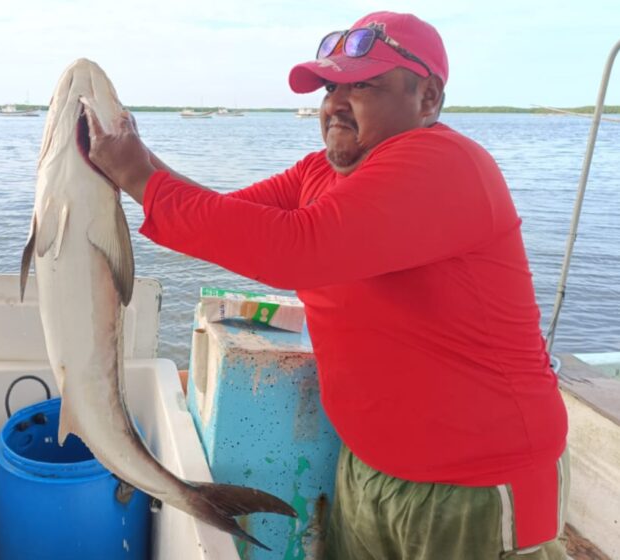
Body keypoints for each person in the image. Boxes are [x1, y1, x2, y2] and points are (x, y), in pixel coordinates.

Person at [86, 11, 569, 560]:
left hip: (476, 488)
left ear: (427, 98)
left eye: (363, 85)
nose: (336, 102)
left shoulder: (444, 164)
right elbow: (227, 218)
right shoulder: (322, 171)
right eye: (331, 86)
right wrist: (135, 159)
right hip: (370, 466)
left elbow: (296, 248)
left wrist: (138, 177)